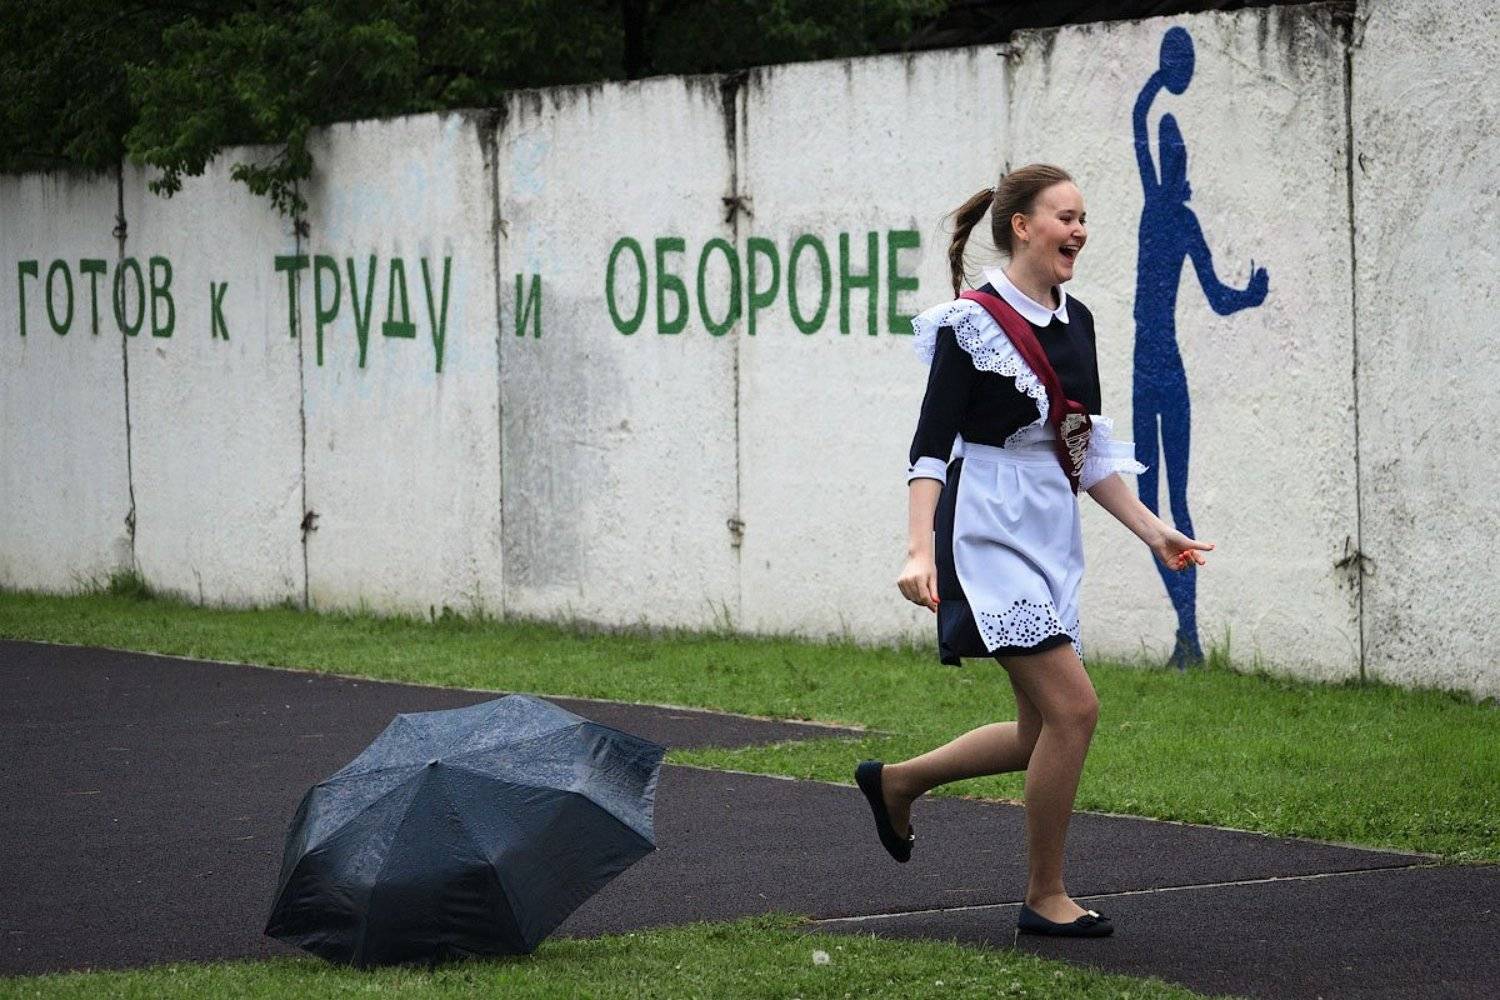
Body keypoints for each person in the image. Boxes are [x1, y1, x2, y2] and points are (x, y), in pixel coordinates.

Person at [854, 164, 1214, 938]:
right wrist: (918, 551)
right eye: (1064, 216)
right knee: (1075, 710)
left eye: (1084, 218)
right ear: (1022, 226)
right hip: (985, 524)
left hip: (1051, 525)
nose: (1079, 230)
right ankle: (1045, 895)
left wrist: (1154, 530)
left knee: (1035, 733)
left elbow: (1081, 445)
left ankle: (896, 783)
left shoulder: (1078, 319)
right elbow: (929, 448)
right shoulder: (970, 323)